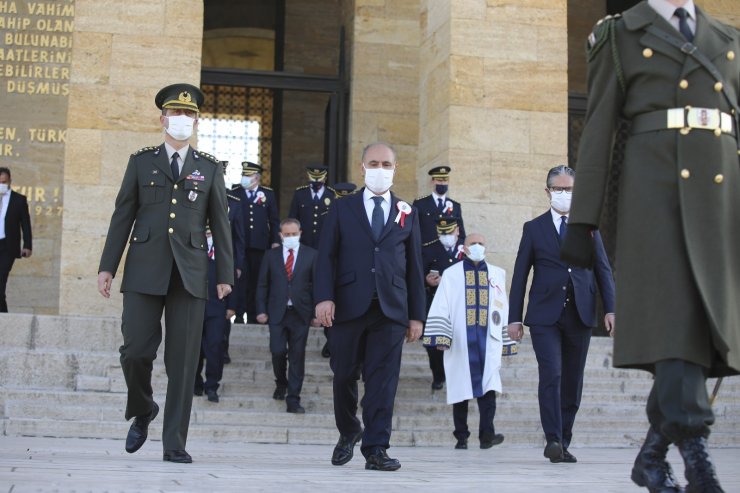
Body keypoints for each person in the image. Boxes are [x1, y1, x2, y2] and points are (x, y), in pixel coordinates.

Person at [561, 2, 740, 491]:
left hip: (721, 197)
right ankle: (698, 460)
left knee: (702, 329)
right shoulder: (619, 33)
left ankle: (651, 456)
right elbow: (598, 127)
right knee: (674, 319)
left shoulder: (727, 36)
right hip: (655, 192)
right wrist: (583, 219)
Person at [97, 83, 234, 464]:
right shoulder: (141, 162)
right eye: (177, 113)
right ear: (162, 119)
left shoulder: (208, 168)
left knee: (182, 362)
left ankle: (174, 442)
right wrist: (107, 266)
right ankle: (143, 409)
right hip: (144, 271)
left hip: (189, 274)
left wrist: (225, 273)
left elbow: (221, 224)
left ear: (195, 121)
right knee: (135, 351)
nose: (183, 120)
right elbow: (123, 214)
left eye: (190, 114)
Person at [315, 141, 425, 472]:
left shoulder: (408, 212)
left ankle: (376, 448)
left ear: (395, 168)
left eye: (386, 164)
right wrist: (323, 297)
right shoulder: (342, 208)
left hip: (390, 310)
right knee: (344, 374)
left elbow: (414, 267)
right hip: (348, 306)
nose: (380, 169)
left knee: (383, 381)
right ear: (362, 168)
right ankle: (349, 430)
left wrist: (417, 315)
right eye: (374, 163)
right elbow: (326, 257)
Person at [507, 165, 615, 464]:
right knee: (552, 373)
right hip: (544, 316)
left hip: (580, 313)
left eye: (570, 190)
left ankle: (564, 440)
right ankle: (552, 438)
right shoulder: (534, 228)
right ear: (548, 191)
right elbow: (520, 275)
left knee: (572, 381)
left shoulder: (588, 228)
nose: (564, 194)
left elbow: (603, 269)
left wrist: (612, 310)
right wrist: (514, 317)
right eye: (559, 189)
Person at [424, 233, 507, 450]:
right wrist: (441, 336)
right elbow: (442, 304)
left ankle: (487, 435)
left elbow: (503, 306)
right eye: (473, 243)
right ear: (465, 247)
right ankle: (461, 437)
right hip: (460, 340)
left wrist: (506, 339)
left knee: (489, 388)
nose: (478, 246)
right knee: (460, 389)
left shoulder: (497, 274)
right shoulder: (451, 274)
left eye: (481, 243)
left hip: (488, 340)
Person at [256, 218, 318, 414]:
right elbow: (262, 284)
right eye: (287, 234)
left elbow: (317, 285)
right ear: (281, 235)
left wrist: (316, 312)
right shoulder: (271, 255)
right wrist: (260, 310)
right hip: (277, 312)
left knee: (297, 356)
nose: (291, 237)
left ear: (300, 232)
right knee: (277, 351)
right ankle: (281, 382)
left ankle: (293, 399)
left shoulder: (311, 255)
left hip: (301, 314)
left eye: (294, 234)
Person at [231, 161, 280, 324]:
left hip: (260, 245)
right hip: (240, 245)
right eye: (244, 175)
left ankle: (254, 314)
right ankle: (239, 313)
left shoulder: (268, 194)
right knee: (240, 279)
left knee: (257, 280)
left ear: (257, 178)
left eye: (249, 175)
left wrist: (275, 241)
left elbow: (274, 220)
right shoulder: (235, 192)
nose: (245, 178)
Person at [421, 216, 465, 391]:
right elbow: (418, 275)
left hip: (459, 304)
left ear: (457, 231)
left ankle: (457, 373)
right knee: (433, 345)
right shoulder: (428, 249)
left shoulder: (466, 250)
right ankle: (438, 375)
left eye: (450, 232)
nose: (446, 236)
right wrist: (427, 280)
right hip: (435, 304)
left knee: (459, 342)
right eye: (442, 233)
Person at [194, 228, 230, 403]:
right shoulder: (194, 252)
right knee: (194, 349)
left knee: (215, 346)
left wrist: (232, 306)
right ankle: (195, 383)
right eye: (206, 232)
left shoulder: (224, 252)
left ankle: (212, 386)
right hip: (195, 307)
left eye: (211, 232)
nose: (209, 235)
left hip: (217, 308)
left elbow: (233, 279)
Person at [220, 160, 246, 365]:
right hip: (201, 261)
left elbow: (239, 237)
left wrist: (238, 265)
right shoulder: (197, 198)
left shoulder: (234, 202)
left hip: (227, 261)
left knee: (226, 308)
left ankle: (223, 348)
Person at [0, 167, 32, 313]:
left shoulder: (19, 200)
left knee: (1, 280)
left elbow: (25, 224)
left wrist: (27, 245)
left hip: (8, 247)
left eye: (4, 182)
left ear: (10, 181)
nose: (2, 184)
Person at [413, 165, 466, 247]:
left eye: (445, 180)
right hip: (427, 253)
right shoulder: (420, 204)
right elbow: (415, 231)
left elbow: (461, 233)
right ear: (432, 181)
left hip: (448, 255)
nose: (442, 183)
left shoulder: (455, 206)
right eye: (439, 180)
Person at [288, 165, 336, 249]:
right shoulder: (300, 194)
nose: (316, 180)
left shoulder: (332, 195)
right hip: (303, 242)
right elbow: (293, 218)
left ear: (325, 178)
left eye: (319, 178)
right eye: (313, 178)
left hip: (324, 242)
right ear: (308, 177)